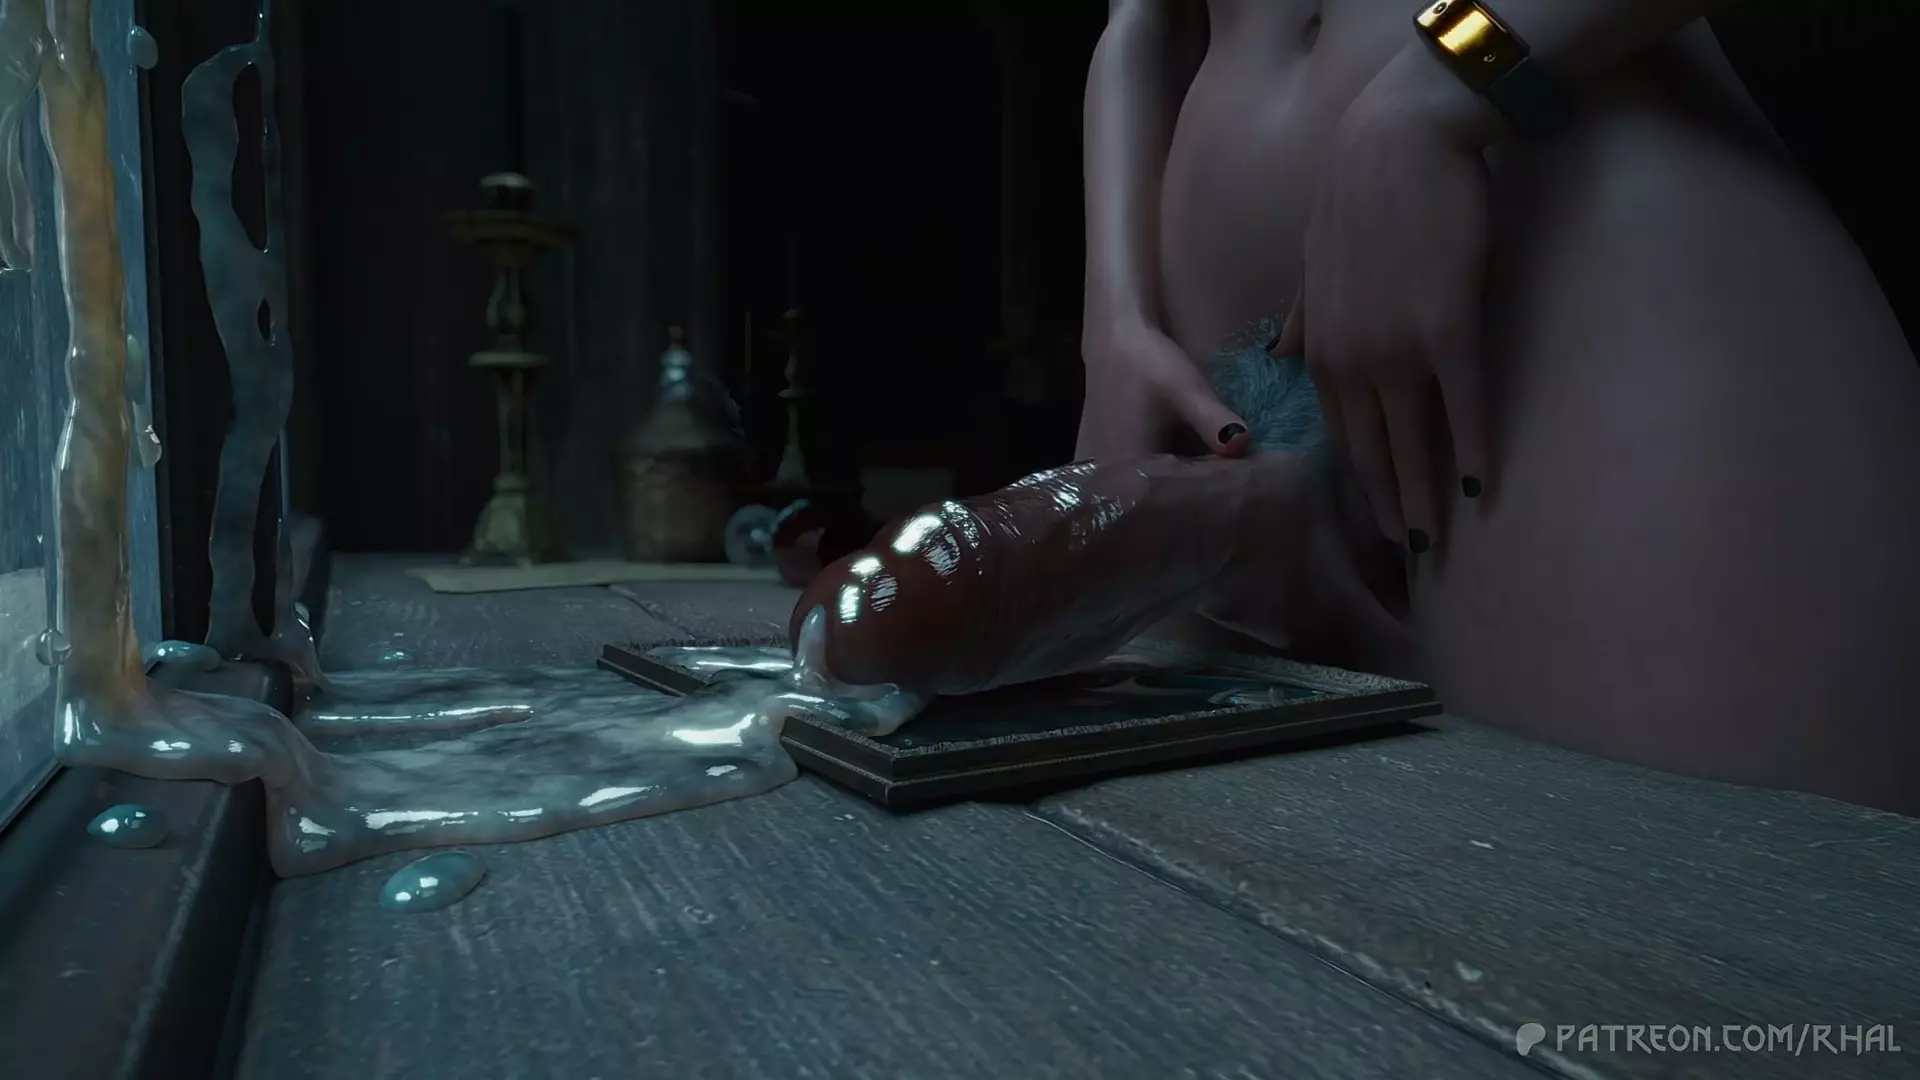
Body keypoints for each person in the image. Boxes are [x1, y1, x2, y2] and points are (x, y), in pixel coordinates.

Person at [798, 0, 1920, 815]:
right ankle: (1274, 526)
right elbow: (1136, 20)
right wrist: (1117, 315)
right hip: (1218, 272)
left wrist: (1449, 80)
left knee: (1700, 897)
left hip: (1543, 151)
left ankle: (1271, 532)